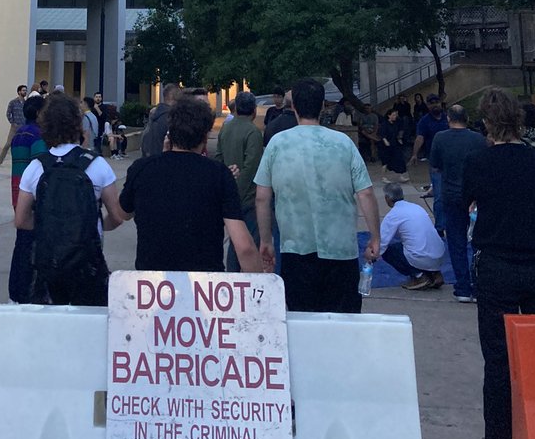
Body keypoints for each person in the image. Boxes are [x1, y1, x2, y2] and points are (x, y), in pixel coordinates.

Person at [462, 89, 535, 439]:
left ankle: (498, 437)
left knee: (497, 361)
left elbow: (463, 203)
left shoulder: (478, 162)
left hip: (496, 265)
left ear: (486, 124)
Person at [255, 78, 380, 313]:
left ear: (293, 107)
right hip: (340, 250)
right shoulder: (343, 143)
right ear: (323, 106)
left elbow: (262, 196)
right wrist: (375, 237)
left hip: (295, 250)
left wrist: (266, 241)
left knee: (302, 323)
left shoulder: (277, 144)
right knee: (344, 321)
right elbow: (365, 193)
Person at [119, 96, 265, 273]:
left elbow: (123, 214)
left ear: (170, 133)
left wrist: (163, 157)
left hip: (152, 285)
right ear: (205, 135)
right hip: (204, 285)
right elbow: (245, 248)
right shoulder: (219, 175)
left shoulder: (141, 169)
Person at [15, 93, 124, 305]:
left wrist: (51, 226)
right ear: (77, 124)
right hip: (87, 263)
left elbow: (21, 220)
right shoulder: (97, 165)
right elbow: (117, 216)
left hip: (49, 264)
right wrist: (92, 225)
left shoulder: (37, 167)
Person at [429, 103, 487, 303]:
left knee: (456, 242)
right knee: (479, 242)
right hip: (475, 197)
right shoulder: (478, 139)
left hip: (451, 195)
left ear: (448, 118)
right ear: (467, 119)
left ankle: (462, 286)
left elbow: (435, 165)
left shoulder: (440, 138)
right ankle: (479, 285)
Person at [215, 91, 264, 269]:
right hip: (248, 196)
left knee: (235, 241)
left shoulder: (226, 128)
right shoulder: (253, 132)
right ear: (254, 110)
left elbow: (219, 158)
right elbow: (252, 166)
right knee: (249, 241)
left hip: (228, 191)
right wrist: (238, 193)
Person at [7, 96, 48, 302]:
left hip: (17, 193)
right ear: (40, 113)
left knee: (21, 243)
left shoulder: (19, 135)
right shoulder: (39, 136)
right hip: (31, 197)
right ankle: (25, 290)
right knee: (31, 246)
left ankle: (15, 290)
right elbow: (41, 167)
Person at [378, 183, 446, 290]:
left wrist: (372, 256)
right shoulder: (417, 207)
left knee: (389, 251)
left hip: (420, 256)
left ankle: (419, 276)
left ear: (387, 198)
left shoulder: (394, 214)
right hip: (439, 254)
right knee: (418, 244)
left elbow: (381, 242)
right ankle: (435, 274)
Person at [409, 94, 450, 232]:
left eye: (436, 102)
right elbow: (420, 138)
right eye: (431, 103)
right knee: (438, 196)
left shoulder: (448, 118)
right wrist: (415, 154)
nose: (435, 105)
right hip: (435, 162)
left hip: (452, 160)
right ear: (427, 105)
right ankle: (440, 227)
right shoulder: (424, 121)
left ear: (441, 102)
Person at [140, 83, 181, 157]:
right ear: (173, 97)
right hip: (164, 162)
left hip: (150, 161)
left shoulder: (153, 117)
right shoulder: (172, 119)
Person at [0, 84, 29, 167]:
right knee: (8, 144)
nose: (25, 92)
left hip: (23, 127)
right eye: (23, 90)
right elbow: (8, 113)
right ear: (19, 92)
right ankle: (0, 160)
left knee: (23, 145)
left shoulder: (26, 103)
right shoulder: (13, 102)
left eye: (25, 90)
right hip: (15, 127)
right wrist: (12, 122)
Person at [379, 107, 410, 181]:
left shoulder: (396, 124)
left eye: (395, 115)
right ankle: (383, 177)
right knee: (385, 162)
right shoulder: (385, 124)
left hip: (394, 144)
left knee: (399, 159)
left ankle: (401, 176)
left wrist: (399, 139)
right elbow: (382, 134)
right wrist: (385, 141)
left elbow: (398, 132)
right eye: (393, 115)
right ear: (389, 116)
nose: (395, 116)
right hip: (385, 146)